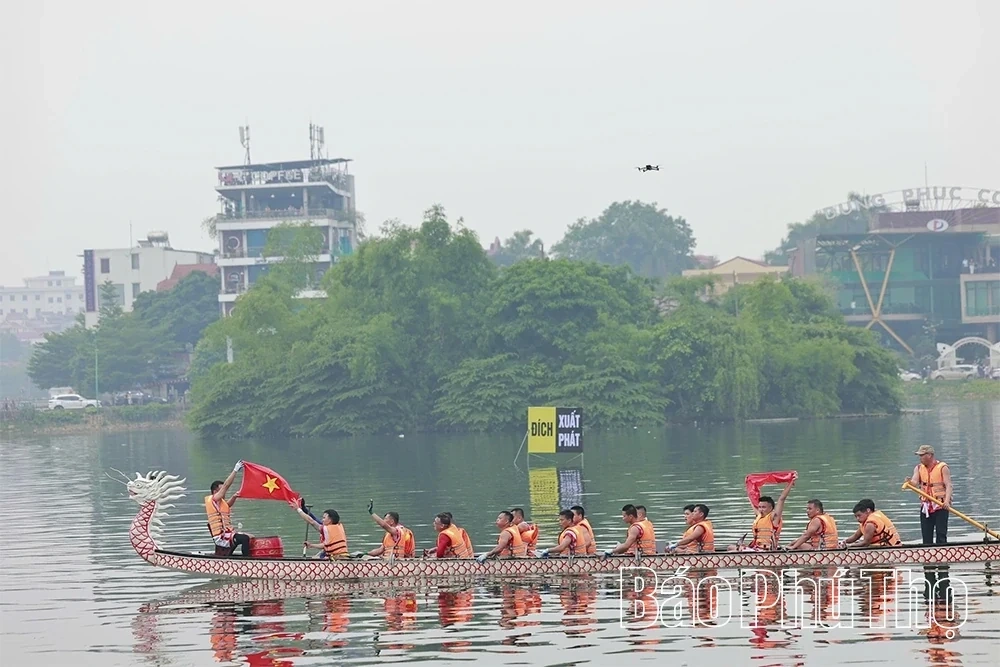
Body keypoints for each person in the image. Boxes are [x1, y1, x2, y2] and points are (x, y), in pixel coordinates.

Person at [734, 475, 794, 551]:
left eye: (764, 507)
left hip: (767, 550)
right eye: (760, 507)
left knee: (735, 549)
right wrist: (748, 484)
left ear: (771, 508)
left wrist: (791, 483)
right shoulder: (759, 516)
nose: (761, 509)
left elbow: (782, 499)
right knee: (731, 547)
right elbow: (751, 499)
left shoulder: (774, 517)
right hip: (756, 548)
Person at [205, 460, 252, 557]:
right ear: (215, 491)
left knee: (251, 537)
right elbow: (226, 485)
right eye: (221, 490)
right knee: (244, 539)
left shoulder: (221, 503)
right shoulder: (213, 499)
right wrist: (235, 470)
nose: (224, 492)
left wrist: (234, 496)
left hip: (228, 534)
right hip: (221, 537)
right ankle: (247, 562)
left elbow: (227, 505)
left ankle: (239, 557)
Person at [907, 444, 952, 545]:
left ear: (930, 455)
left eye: (922, 455)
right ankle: (928, 554)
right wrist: (909, 482)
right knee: (926, 537)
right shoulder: (918, 468)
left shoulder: (942, 467)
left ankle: (942, 553)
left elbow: (949, 485)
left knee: (941, 535)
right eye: (920, 456)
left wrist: (947, 501)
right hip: (926, 506)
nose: (920, 458)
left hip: (940, 505)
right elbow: (914, 482)